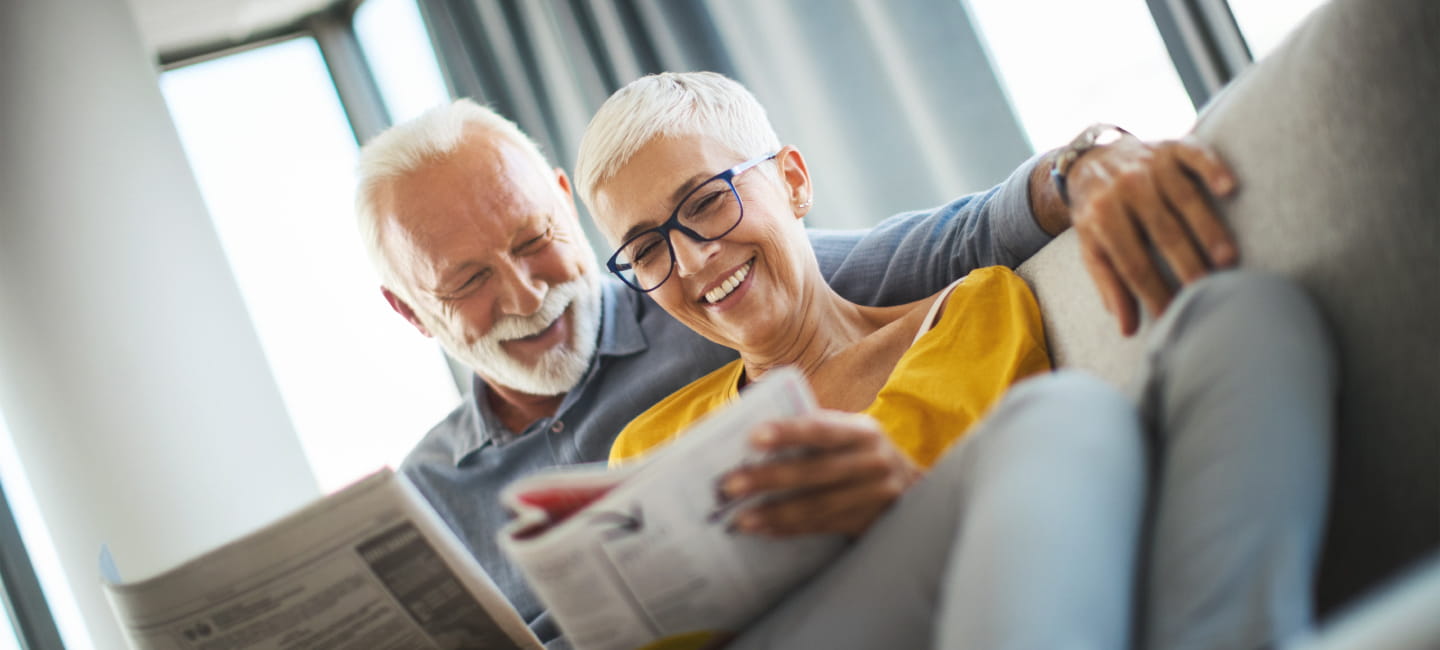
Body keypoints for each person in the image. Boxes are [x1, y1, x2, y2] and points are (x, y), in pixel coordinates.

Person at [353, 93, 1235, 643]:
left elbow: (970, 234)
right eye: (467, 280)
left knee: (1231, 326)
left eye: (535, 242)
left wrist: (1088, 157)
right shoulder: (427, 494)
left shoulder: (748, 295)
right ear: (409, 310)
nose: (523, 291)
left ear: (559, 205)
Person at [575, 71, 1334, 649]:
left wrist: (901, 501)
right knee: (1059, 416)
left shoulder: (975, 312)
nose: (693, 257)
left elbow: (1046, 529)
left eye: (707, 200)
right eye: (646, 248)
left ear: (794, 182)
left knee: (1249, 313)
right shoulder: (646, 450)